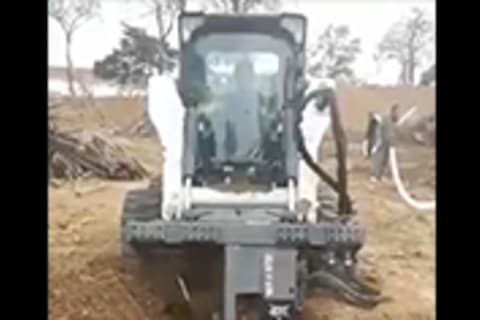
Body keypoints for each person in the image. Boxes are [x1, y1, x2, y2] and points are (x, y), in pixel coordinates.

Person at [363, 104, 399, 183]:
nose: (397, 114)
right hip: (380, 143)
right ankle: (373, 175)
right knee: (377, 159)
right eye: (396, 112)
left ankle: (381, 175)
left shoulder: (391, 120)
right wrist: (376, 144)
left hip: (387, 143)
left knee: (384, 160)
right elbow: (377, 131)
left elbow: (392, 131)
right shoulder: (383, 118)